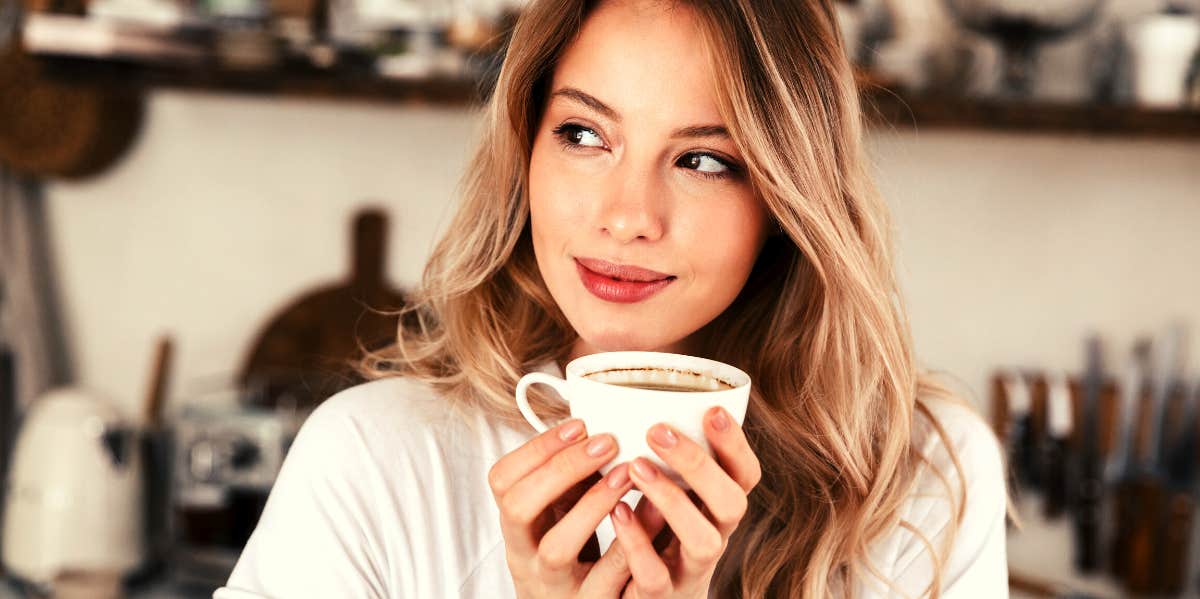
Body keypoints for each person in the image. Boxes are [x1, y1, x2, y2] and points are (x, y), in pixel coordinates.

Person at [214, 0, 1008, 597]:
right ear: (526, 147)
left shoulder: (923, 477)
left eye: (702, 159)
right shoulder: (371, 460)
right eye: (586, 136)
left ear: (784, 202)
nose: (628, 217)